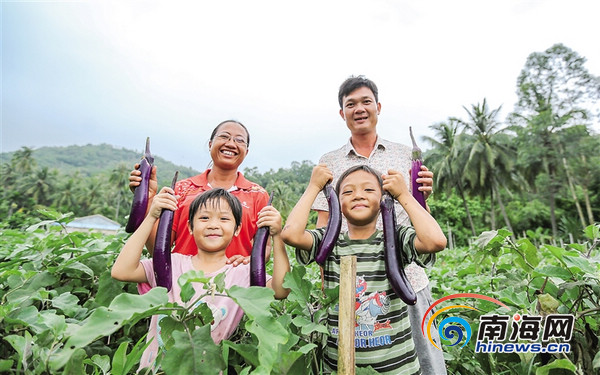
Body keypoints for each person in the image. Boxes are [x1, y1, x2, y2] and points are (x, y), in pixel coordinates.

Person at [312, 75, 446, 374]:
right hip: (352, 282)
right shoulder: (330, 161)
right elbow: (324, 227)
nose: (359, 109)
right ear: (342, 113)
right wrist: (326, 287)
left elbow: (420, 214)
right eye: (350, 104)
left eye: (365, 102)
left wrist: (425, 194)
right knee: (356, 359)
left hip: (408, 275)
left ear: (378, 107)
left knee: (425, 359)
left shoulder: (403, 155)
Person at [281, 164, 446, 374]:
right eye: (348, 191)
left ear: (383, 200)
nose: (358, 195)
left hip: (398, 369)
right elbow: (290, 234)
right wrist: (314, 187)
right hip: (338, 368)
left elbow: (436, 241)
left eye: (369, 190)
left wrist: (403, 194)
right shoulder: (328, 242)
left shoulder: (395, 239)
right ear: (337, 203)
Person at [112, 187, 290, 370]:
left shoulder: (241, 273)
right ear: (190, 226)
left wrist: (277, 236)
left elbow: (281, 290)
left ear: (237, 229)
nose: (213, 224)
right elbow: (122, 271)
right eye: (204, 218)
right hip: (155, 370)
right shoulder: (169, 263)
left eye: (224, 218)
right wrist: (151, 216)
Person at [129, 120, 269, 266]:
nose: (231, 144)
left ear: (246, 152)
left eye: (239, 140)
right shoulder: (181, 189)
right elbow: (157, 249)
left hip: (235, 285)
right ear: (210, 144)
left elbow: (266, 246)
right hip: (182, 283)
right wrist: (148, 198)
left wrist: (250, 260)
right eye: (224, 137)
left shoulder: (258, 195)